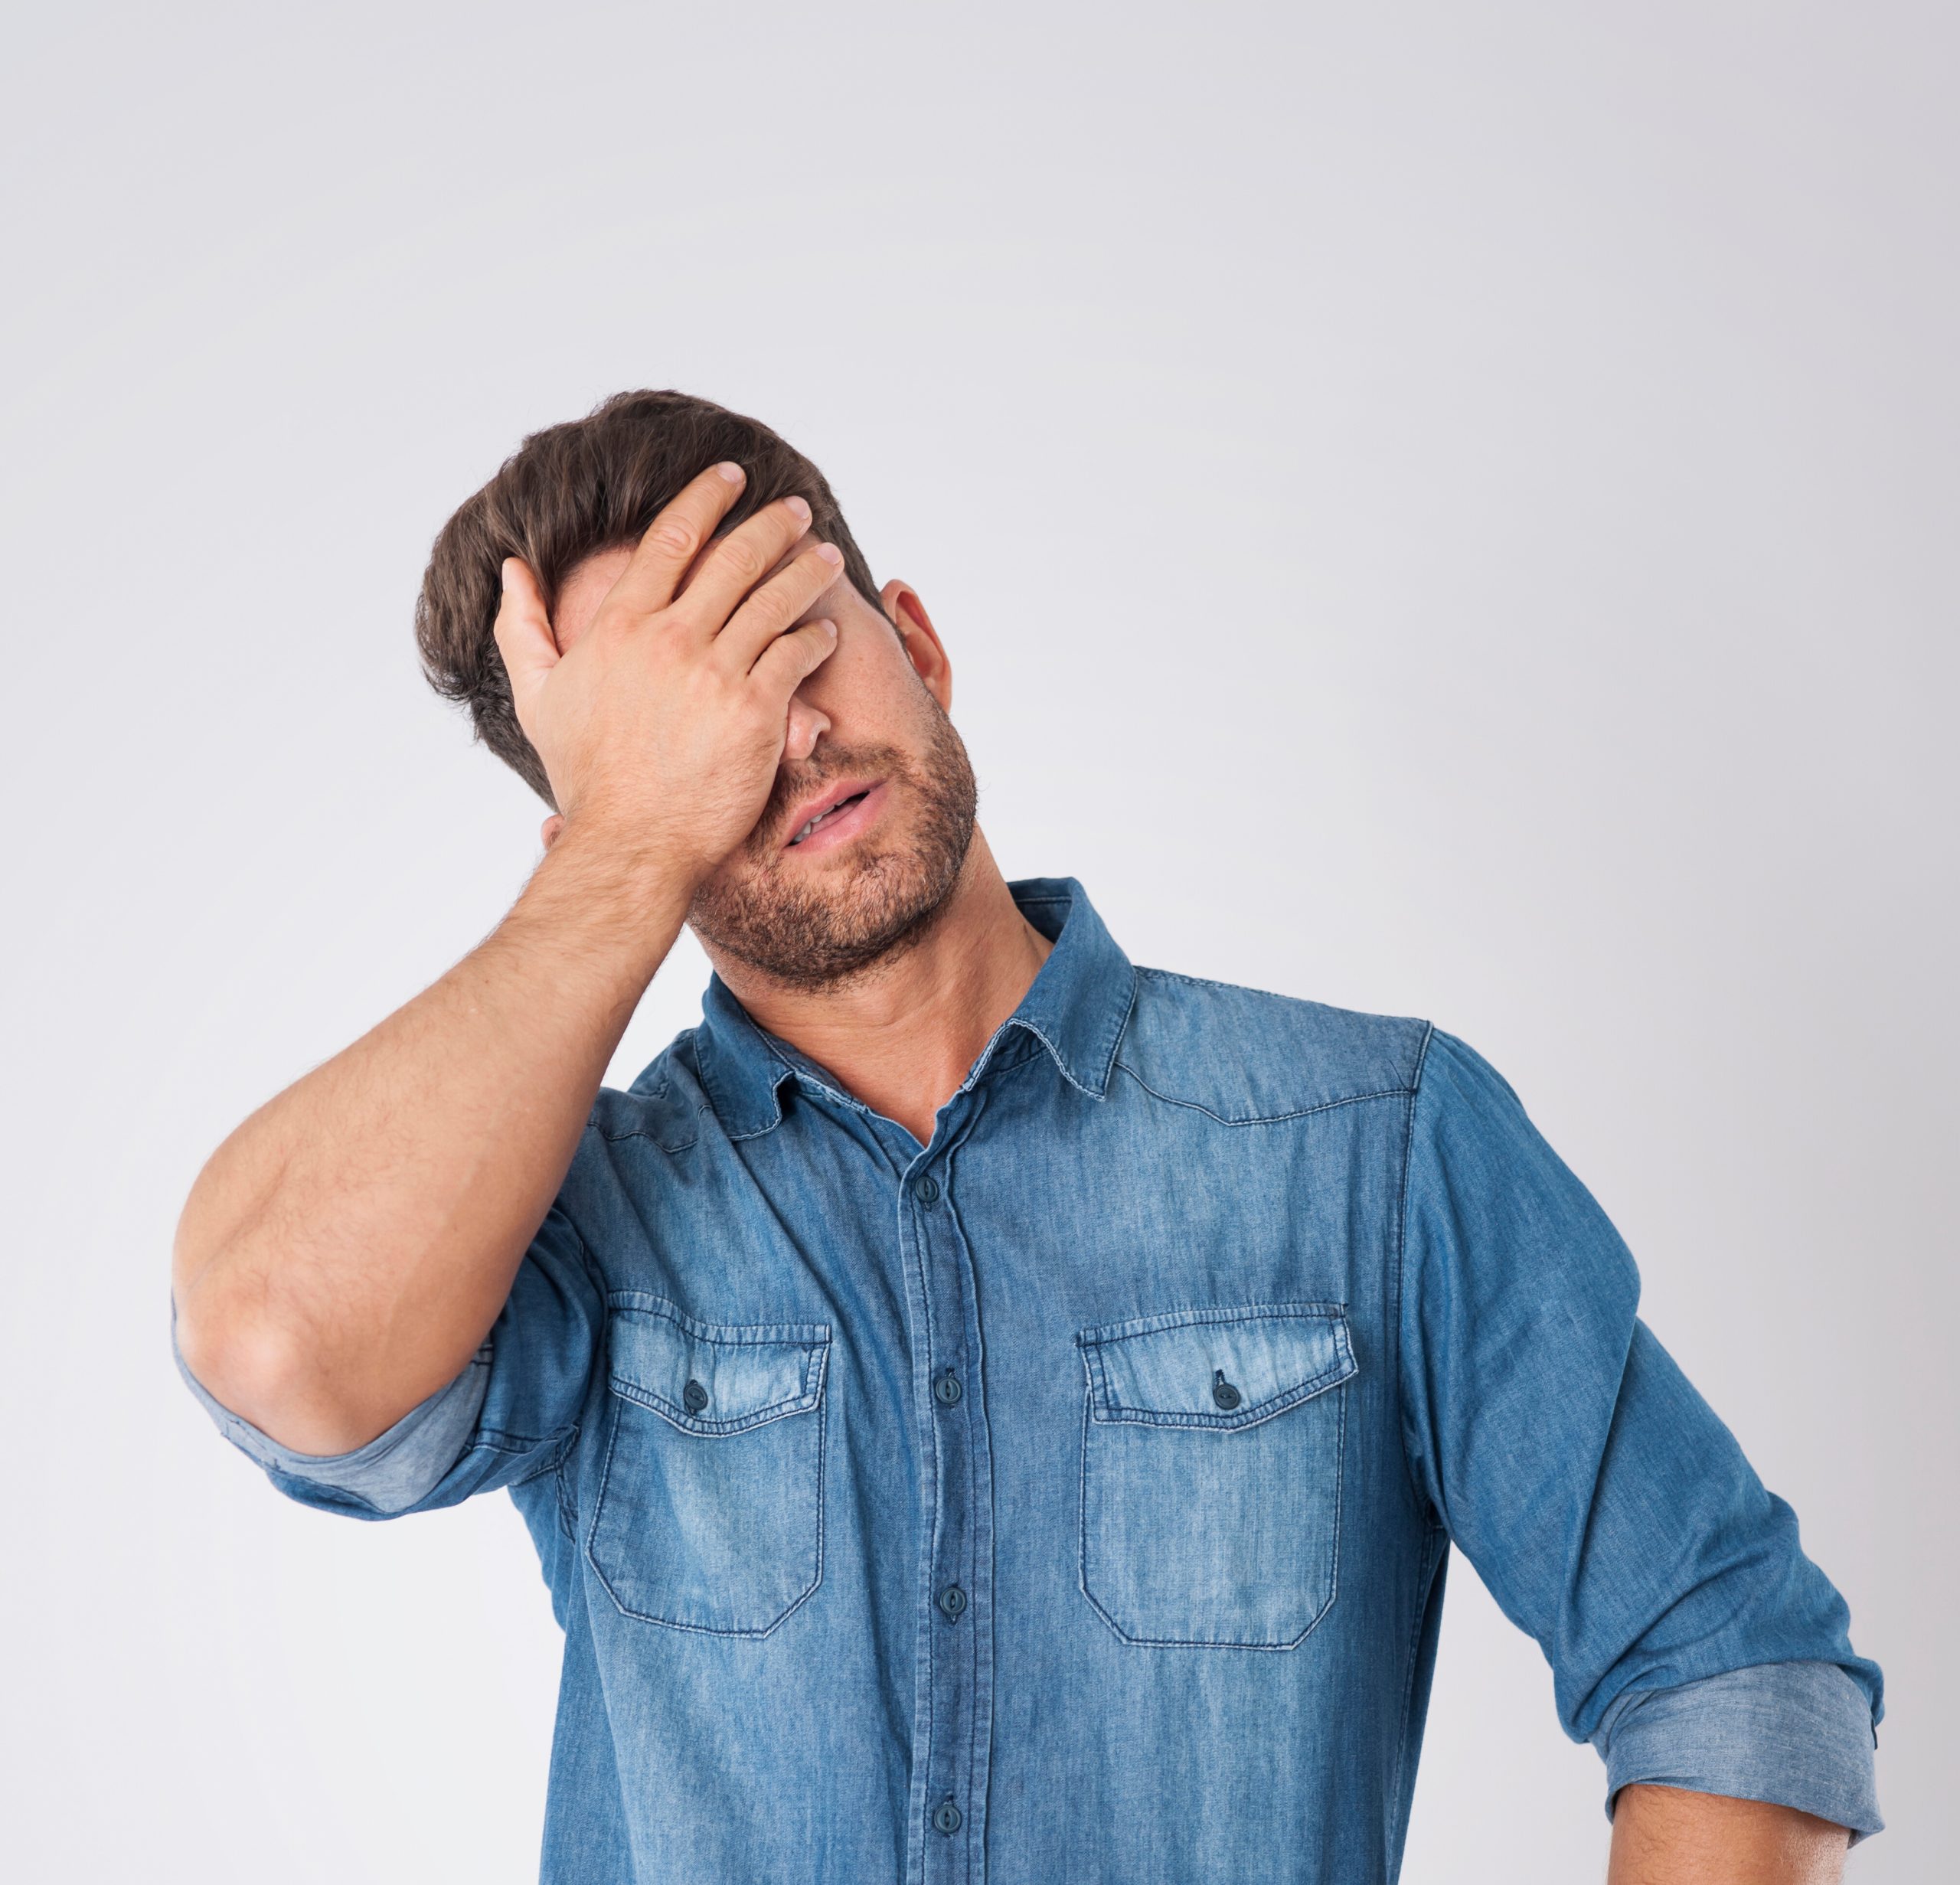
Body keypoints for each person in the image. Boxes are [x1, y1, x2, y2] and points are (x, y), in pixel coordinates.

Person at [170, 389, 1883, 1884]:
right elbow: (272, 1342)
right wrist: (625, 844)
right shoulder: (570, 1226)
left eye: (786, 641)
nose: (783, 736)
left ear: (912, 642)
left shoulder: (1376, 1142)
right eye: (676, 725)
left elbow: (1730, 1658)